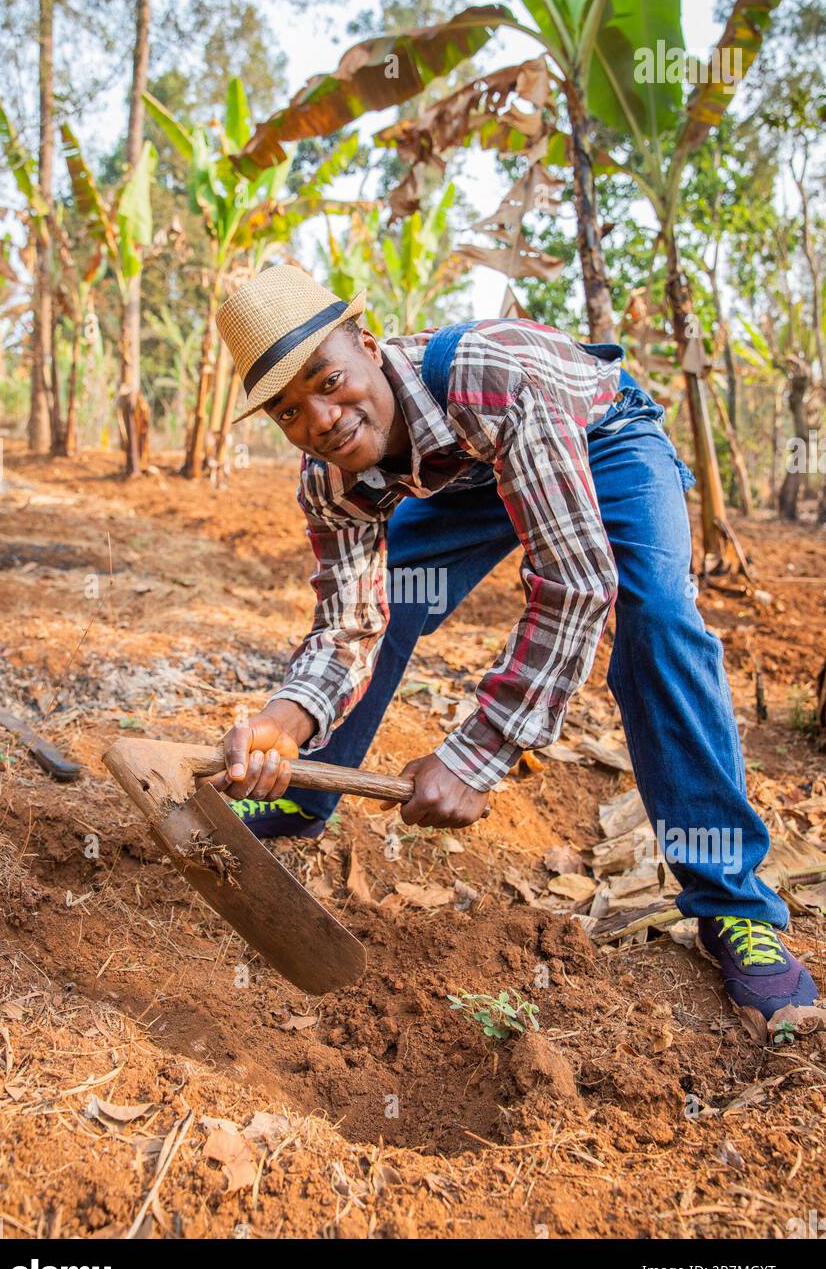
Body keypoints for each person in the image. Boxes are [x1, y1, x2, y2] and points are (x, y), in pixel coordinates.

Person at [208, 264, 818, 1021]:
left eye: (330, 381)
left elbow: (573, 582)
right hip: (473, 472)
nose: (322, 419)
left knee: (656, 617)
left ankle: (735, 906)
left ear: (368, 344)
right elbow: (347, 623)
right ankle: (306, 794)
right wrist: (284, 723)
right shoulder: (333, 481)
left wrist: (475, 756)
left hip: (599, 440)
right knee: (396, 601)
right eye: (291, 411)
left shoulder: (483, 374)